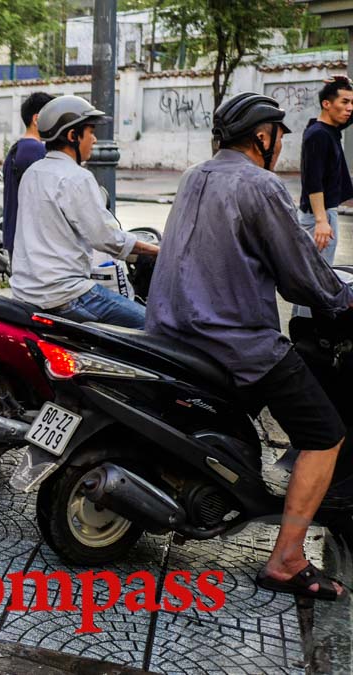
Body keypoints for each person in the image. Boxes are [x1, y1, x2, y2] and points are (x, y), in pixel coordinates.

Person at [147, 92, 353, 600]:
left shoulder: (196, 175)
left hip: (170, 330)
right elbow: (301, 275)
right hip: (232, 342)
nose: (281, 144)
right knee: (324, 433)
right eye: (278, 135)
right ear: (263, 137)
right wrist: (342, 298)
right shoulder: (260, 185)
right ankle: (286, 558)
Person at [9, 95, 159, 327]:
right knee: (150, 327)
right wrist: (159, 250)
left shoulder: (33, 172)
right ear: (72, 136)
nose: (95, 139)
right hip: (67, 295)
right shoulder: (77, 177)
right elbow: (109, 239)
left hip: (26, 291)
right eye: (90, 132)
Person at [294, 77, 353, 317]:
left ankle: (304, 328)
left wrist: (348, 82)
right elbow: (313, 180)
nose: (350, 108)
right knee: (316, 279)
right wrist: (321, 221)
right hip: (316, 216)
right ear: (327, 104)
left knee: (313, 276)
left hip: (323, 213)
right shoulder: (318, 135)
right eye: (345, 101)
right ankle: (308, 333)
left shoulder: (328, 129)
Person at [2, 91, 54, 254]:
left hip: (16, 238)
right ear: (37, 119)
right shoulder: (36, 150)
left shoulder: (17, 148)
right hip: (30, 243)